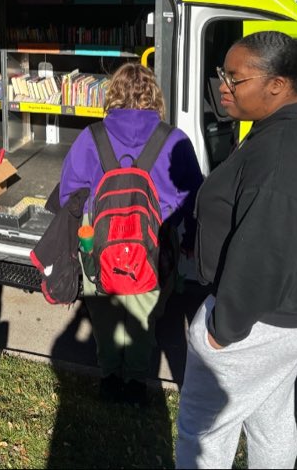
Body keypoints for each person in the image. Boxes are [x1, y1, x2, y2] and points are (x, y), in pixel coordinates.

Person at [175, 34, 297, 469]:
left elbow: (264, 254)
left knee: (203, 429)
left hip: (259, 321)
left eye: (234, 78)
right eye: (222, 74)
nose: (222, 85)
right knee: (268, 415)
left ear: (277, 85)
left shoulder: (283, 154)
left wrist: (222, 330)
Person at [59, 63, 203, 405]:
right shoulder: (174, 139)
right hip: (154, 244)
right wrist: (185, 236)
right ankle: (137, 384)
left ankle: (109, 379)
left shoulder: (91, 136)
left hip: (99, 244)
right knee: (142, 318)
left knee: (105, 315)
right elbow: (195, 197)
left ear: (113, 94)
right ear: (155, 95)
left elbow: (69, 196)